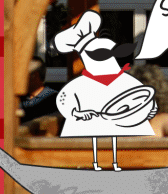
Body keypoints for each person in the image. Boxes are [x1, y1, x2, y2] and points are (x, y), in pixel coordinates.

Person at [54, 11, 156, 171]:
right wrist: (76, 113)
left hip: (125, 132)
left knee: (117, 139)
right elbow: (64, 100)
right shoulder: (81, 84)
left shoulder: (123, 80)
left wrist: (149, 108)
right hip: (87, 128)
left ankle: (116, 163)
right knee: (92, 138)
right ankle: (94, 164)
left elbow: (141, 96)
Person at [20, 56, 59, 124]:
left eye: (23, 73)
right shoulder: (18, 99)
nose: (19, 77)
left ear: (35, 75)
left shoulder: (54, 100)